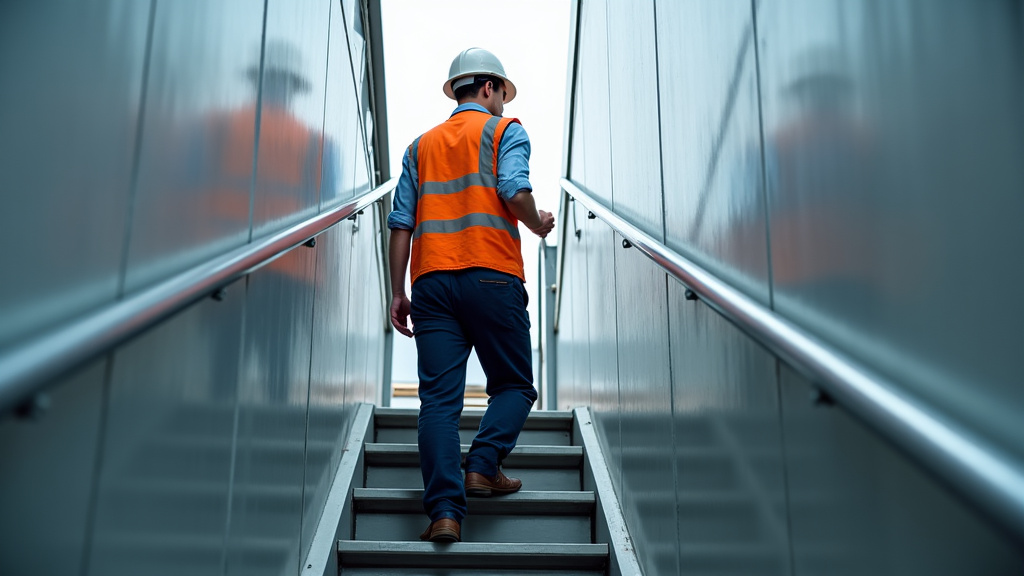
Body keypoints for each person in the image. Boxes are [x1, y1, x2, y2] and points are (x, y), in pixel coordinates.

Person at [387, 47, 555, 543]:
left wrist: (397, 291)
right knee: (515, 386)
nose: (503, 101)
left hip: (432, 282)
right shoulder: (507, 131)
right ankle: (482, 464)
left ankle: (443, 512)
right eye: (502, 92)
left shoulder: (421, 146)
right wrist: (537, 222)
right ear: (489, 88)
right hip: (493, 275)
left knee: (438, 403)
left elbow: (401, 223)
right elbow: (512, 188)